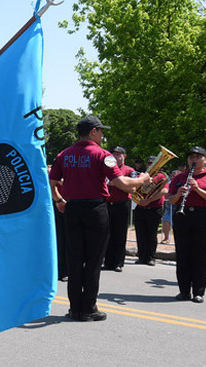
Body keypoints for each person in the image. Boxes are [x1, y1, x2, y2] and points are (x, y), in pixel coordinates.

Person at [49, 116, 149, 322]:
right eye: (101, 131)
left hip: (72, 208)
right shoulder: (103, 155)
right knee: (94, 260)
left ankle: (74, 307)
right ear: (93, 131)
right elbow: (122, 183)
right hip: (95, 209)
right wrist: (143, 179)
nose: (103, 135)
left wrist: (59, 200)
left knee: (75, 259)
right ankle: (88, 308)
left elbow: (51, 182)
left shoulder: (63, 154)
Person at [167, 146, 206, 303]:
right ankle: (184, 291)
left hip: (203, 216)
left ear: (205, 159)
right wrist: (178, 194)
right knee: (182, 254)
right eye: (191, 157)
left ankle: (198, 292)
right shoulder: (179, 177)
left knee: (200, 254)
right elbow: (170, 199)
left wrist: (197, 189)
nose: (193, 160)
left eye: (197, 157)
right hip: (183, 215)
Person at [104, 146, 136, 272]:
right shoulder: (106, 169)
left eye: (119, 154)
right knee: (107, 234)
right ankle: (108, 262)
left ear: (124, 156)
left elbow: (132, 189)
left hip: (121, 204)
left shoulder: (129, 170)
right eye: (114, 154)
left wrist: (116, 183)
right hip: (107, 204)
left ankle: (118, 262)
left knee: (120, 234)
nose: (116, 157)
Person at [134, 155, 168, 266]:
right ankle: (141, 257)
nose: (151, 165)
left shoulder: (162, 176)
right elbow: (134, 189)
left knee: (152, 234)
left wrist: (149, 200)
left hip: (154, 208)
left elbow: (164, 191)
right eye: (149, 163)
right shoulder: (142, 176)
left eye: (153, 163)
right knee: (140, 234)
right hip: (141, 207)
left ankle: (151, 257)